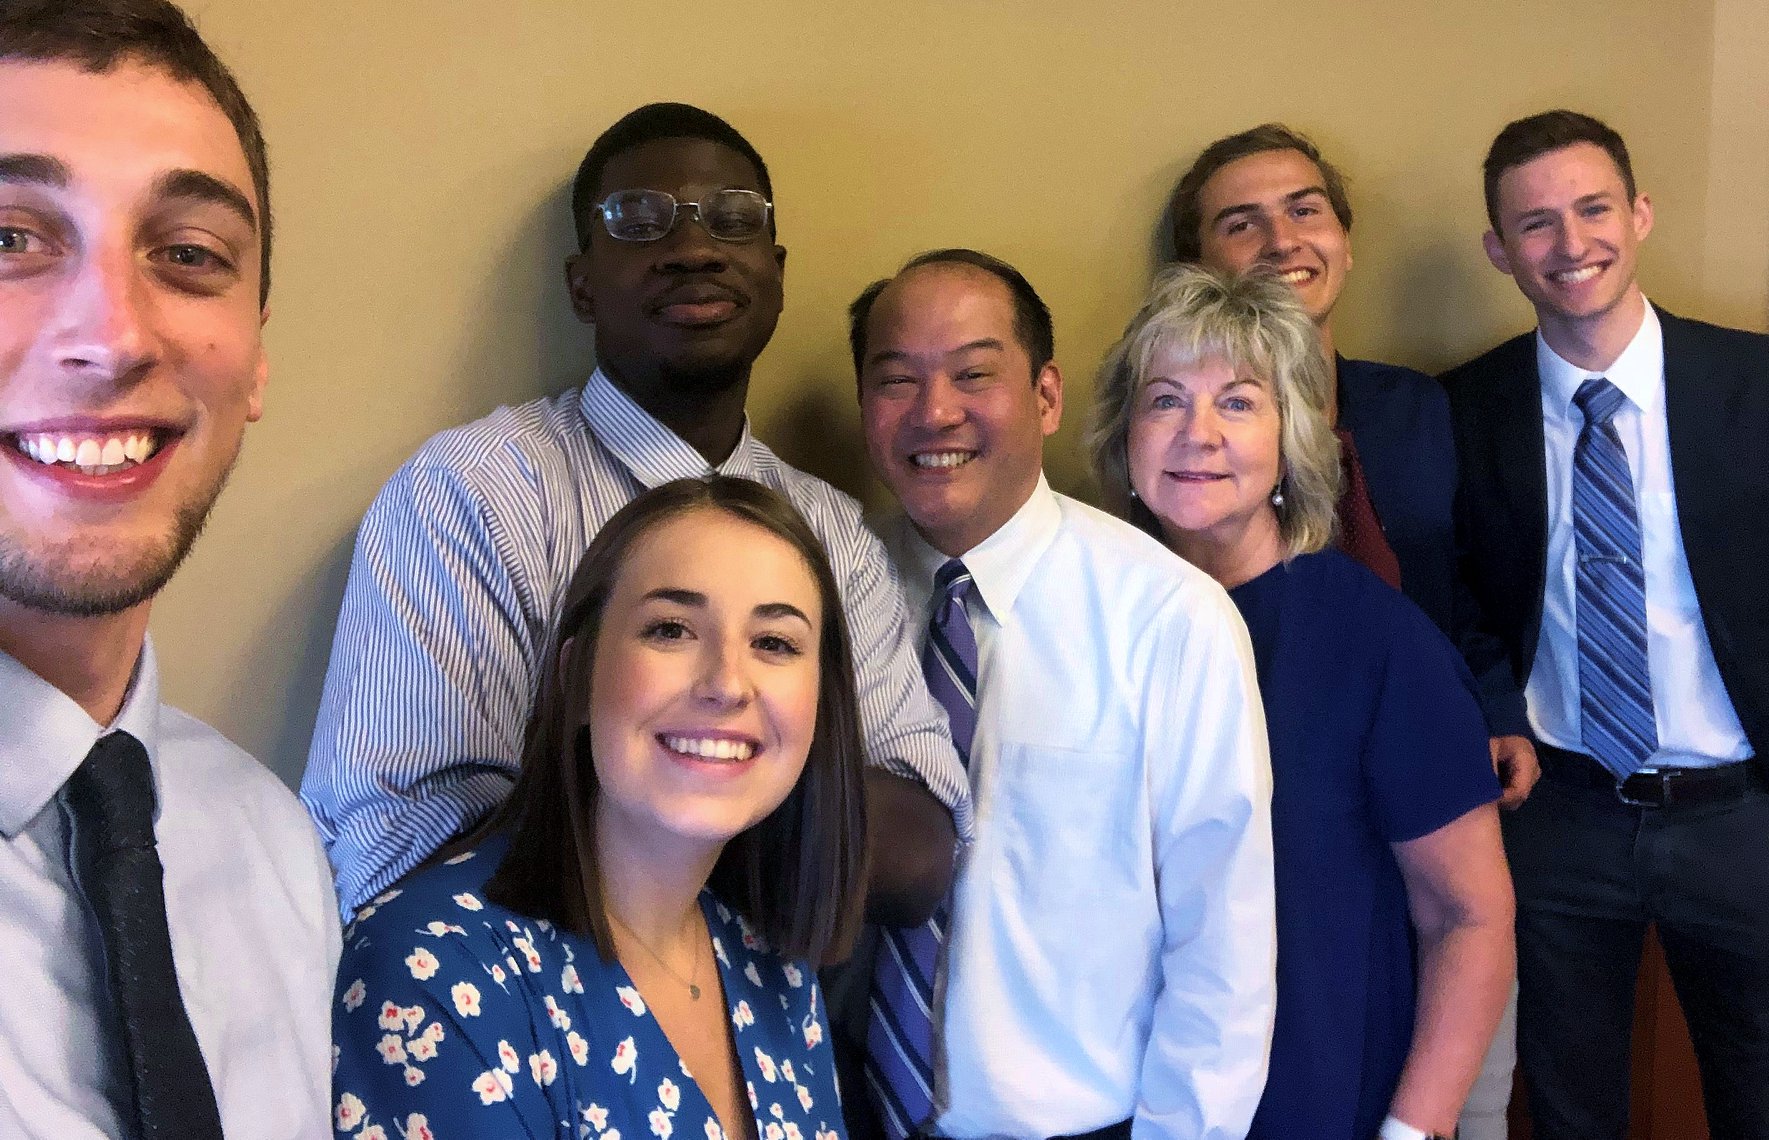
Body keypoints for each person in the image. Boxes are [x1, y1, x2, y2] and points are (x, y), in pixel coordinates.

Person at [301, 103, 968, 925]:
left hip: (770, 1037)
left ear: (777, 273)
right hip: (523, 1035)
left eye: (732, 221)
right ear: (582, 286)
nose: (693, 250)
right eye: (640, 223)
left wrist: (653, 795)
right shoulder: (470, 495)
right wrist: (764, 795)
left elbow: (915, 850)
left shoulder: (834, 533)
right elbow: (397, 846)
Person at [0, 2, 340, 1136]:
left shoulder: (274, 849)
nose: (115, 332)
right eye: (10, 239)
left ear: (253, 361)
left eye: (189, 255)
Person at [850, 249, 1277, 1139]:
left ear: (1045, 396)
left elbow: (1223, 945)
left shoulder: (1167, 619)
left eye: (974, 374)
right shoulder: (824, 599)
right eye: (897, 380)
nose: (935, 412)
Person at [1092, 264, 1514, 1140]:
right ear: (1124, 438)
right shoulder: (1091, 629)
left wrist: (1413, 1129)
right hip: (1117, 1098)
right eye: (1165, 400)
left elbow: (1466, 914)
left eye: (1238, 403)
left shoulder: (1378, 643)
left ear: (1293, 438)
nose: (1195, 434)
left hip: (1320, 1097)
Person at [332, 476, 867, 1140]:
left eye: (774, 643)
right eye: (671, 630)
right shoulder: (430, 969)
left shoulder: (775, 969)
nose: (728, 683)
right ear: (575, 676)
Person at [1442, 109, 1769, 1139]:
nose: (1569, 243)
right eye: (1533, 223)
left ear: (1638, 214)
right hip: (1558, 818)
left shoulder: (1752, 384)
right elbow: (1455, 597)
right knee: (1571, 1105)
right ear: (1498, 250)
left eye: (1591, 209)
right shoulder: (1464, 409)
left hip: (1739, 816)